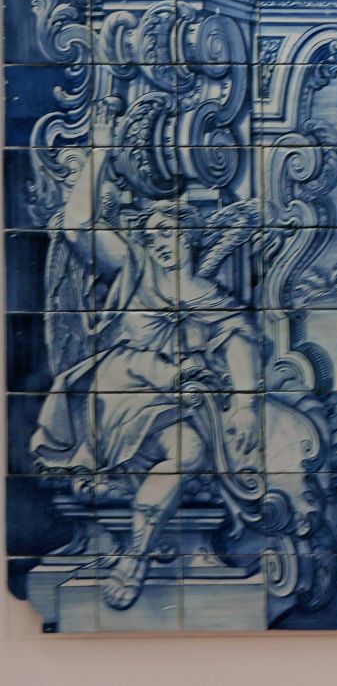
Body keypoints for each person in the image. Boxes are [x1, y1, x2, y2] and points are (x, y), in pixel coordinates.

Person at [31, 103, 272, 610]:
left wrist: (247, 404)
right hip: (119, 390)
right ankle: (134, 553)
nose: (160, 242)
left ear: (192, 235)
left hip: (174, 401)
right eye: (152, 234)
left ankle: (135, 557)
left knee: (189, 451)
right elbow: (77, 226)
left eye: (169, 232)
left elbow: (241, 338)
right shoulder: (134, 269)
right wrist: (99, 147)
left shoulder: (212, 298)